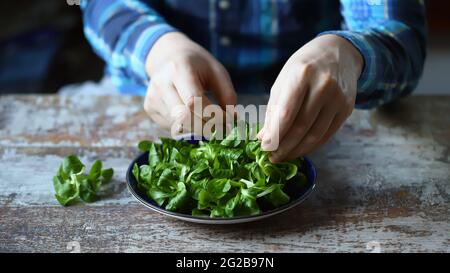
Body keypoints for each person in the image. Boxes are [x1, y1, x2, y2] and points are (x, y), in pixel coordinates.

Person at [81, 0, 427, 162]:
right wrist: (157, 49)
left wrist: (350, 54)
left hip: (316, 116)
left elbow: (401, 37)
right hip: (146, 98)